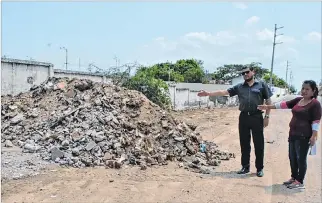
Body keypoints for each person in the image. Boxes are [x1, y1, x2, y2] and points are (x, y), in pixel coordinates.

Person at [198, 66, 272, 177]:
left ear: (253, 72)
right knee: (244, 143)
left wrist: (267, 116)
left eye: (247, 72)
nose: (245, 74)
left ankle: (259, 168)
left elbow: (268, 100)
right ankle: (245, 167)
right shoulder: (239, 87)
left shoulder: (261, 85)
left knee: (259, 144)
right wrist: (208, 94)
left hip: (257, 117)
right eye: (243, 73)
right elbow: (224, 92)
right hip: (244, 117)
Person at [257, 80, 321, 189]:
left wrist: (314, 135)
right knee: (292, 157)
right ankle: (294, 177)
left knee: (301, 159)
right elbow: (283, 105)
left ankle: (300, 182)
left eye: (307, 89)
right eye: (303, 88)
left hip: (304, 135)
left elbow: (316, 121)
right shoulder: (298, 100)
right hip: (293, 134)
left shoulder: (315, 104)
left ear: (313, 91)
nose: (304, 91)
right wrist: (268, 107)